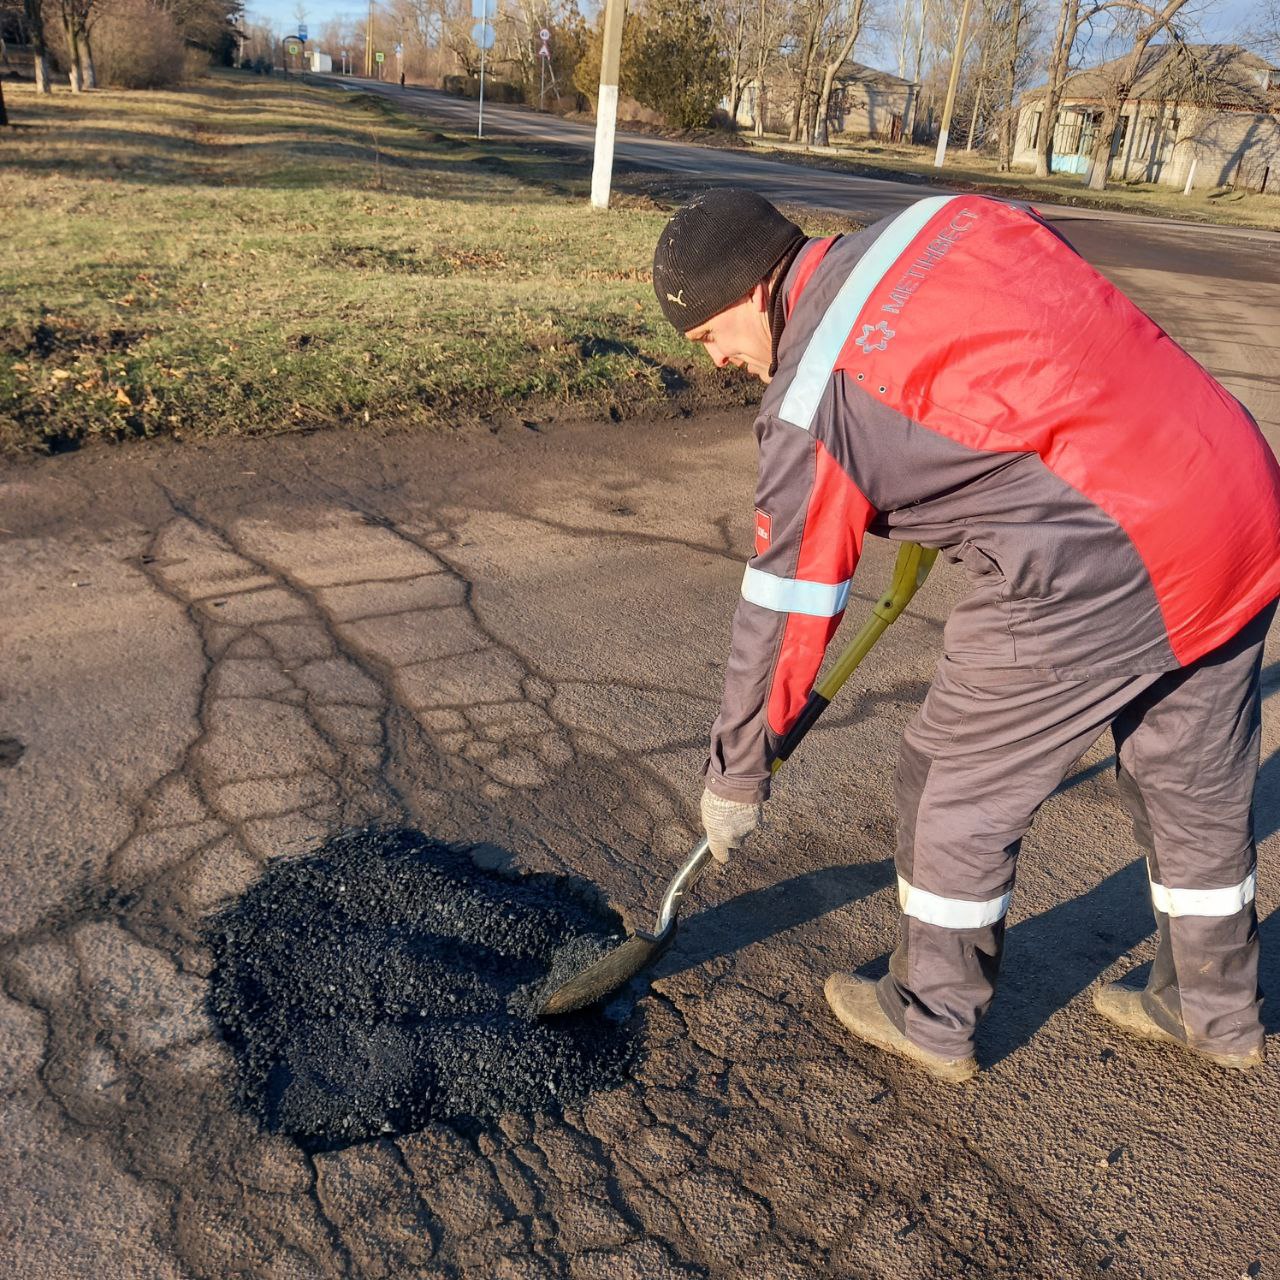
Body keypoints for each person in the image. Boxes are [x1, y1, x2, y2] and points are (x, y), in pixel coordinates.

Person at [652, 188, 1280, 1083]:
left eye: (708, 337)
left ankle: (928, 1012)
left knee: (953, 777)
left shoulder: (812, 394)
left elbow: (787, 603)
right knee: (1192, 774)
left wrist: (736, 775)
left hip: (1103, 556)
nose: (717, 361)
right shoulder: (942, 219)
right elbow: (1021, 345)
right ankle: (1212, 1010)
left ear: (750, 292)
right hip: (1237, 492)